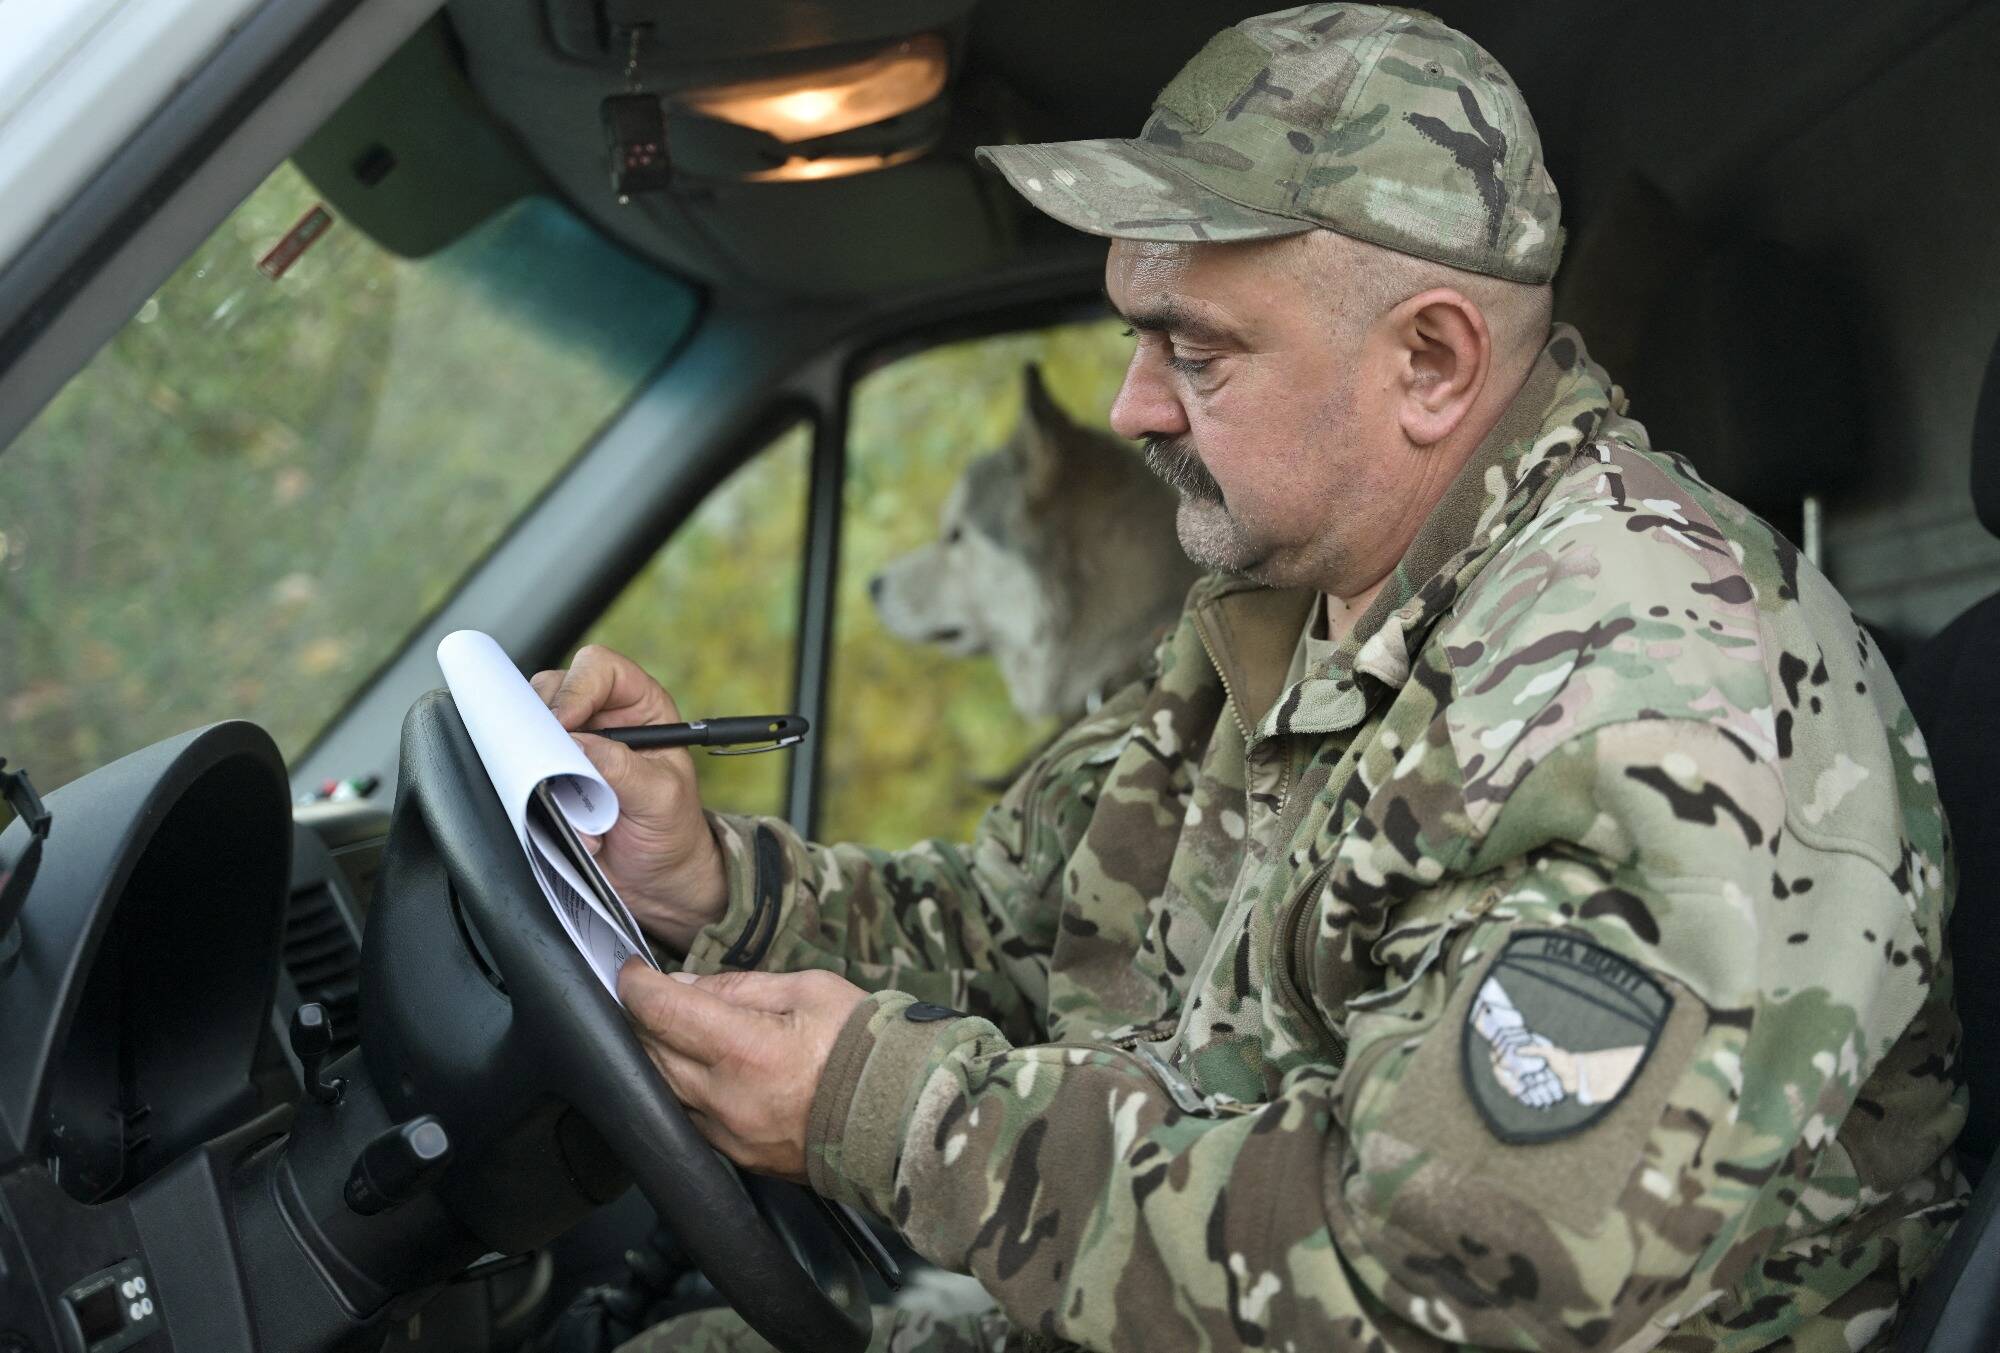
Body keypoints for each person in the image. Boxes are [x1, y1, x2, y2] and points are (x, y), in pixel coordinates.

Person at [533, 7, 1965, 1350]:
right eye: (1135, 336)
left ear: (1430, 362)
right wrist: (712, 885)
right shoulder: (1286, 604)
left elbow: (1449, 1274)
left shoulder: (1642, 691)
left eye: (1196, 351)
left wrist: (901, 1122)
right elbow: (1034, 931)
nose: (1130, 406)